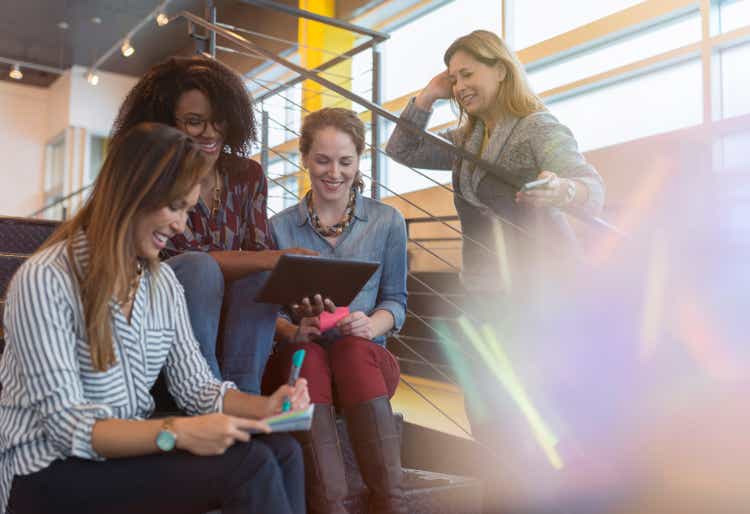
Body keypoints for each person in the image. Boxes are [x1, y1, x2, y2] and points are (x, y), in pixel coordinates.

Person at [0, 123, 308, 514]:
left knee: (283, 450)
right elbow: (71, 429)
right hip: (44, 471)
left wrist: (266, 407)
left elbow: (198, 389)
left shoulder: (162, 285)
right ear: (132, 192)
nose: (181, 225)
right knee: (250, 466)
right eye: (175, 207)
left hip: (119, 458)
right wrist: (177, 432)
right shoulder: (46, 279)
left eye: (188, 210)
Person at [385, 29, 606, 509]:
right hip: (483, 294)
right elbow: (400, 151)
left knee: (529, 417)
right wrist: (427, 95)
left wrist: (561, 189)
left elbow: (589, 185)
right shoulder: (469, 137)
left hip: (538, 296)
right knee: (486, 414)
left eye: (469, 73)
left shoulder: (536, 127)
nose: (460, 85)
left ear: (501, 69)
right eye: (454, 77)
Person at [110, 56, 321, 395]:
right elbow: (175, 260)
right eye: (194, 122)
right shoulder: (149, 176)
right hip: (156, 300)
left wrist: (291, 310)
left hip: (233, 313)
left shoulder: (247, 175)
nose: (210, 133)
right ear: (166, 122)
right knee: (201, 267)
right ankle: (204, 391)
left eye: (219, 121)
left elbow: (258, 262)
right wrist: (275, 258)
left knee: (259, 274)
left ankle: (245, 393)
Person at [263, 108, 408, 514]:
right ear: (305, 158)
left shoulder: (387, 222)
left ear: (359, 160)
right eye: (322, 160)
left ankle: (391, 503)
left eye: (345, 161)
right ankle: (331, 505)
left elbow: (396, 303)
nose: (334, 172)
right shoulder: (279, 229)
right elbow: (265, 314)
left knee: (350, 348)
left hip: (366, 364)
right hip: (305, 365)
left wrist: (369, 323)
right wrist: (293, 331)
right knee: (307, 355)